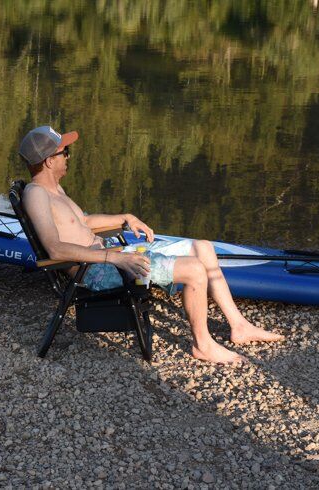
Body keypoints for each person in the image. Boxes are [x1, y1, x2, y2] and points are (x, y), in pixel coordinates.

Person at [18, 126, 284, 364]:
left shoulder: (55, 190)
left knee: (203, 247)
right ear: (50, 161)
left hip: (107, 255)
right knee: (194, 269)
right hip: (96, 271)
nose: (69, 157)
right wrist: (116, 259)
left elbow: (82, 222)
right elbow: (55, 248)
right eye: (66, 152)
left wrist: (125, 217)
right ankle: (203, 345)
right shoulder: (36, 194)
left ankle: (239, 325)